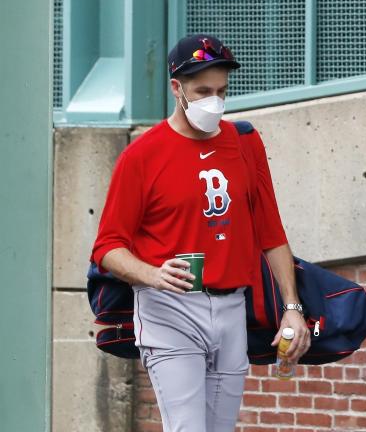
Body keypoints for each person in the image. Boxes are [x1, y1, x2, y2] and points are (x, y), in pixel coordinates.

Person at [90, 34, 311, 432]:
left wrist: (291, 306)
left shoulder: (245, 143)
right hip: (169, 311)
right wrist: (152, 274)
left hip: (231, 311)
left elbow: (271, 231)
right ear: (177, 88)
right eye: (203, 90)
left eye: (222, 91)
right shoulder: (142, 156)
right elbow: (107, 247)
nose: (215, 100)